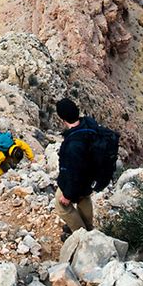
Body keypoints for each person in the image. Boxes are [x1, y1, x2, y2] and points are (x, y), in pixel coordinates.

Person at [55, 97, 95, 236]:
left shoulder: (73, 144)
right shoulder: (88, 126)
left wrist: (67, 195)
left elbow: (74, 172)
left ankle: (81, 234)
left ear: (62, 118)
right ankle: (89, 227)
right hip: (90, 177)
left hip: (77, 180)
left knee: (61, 204)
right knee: (84, 197)